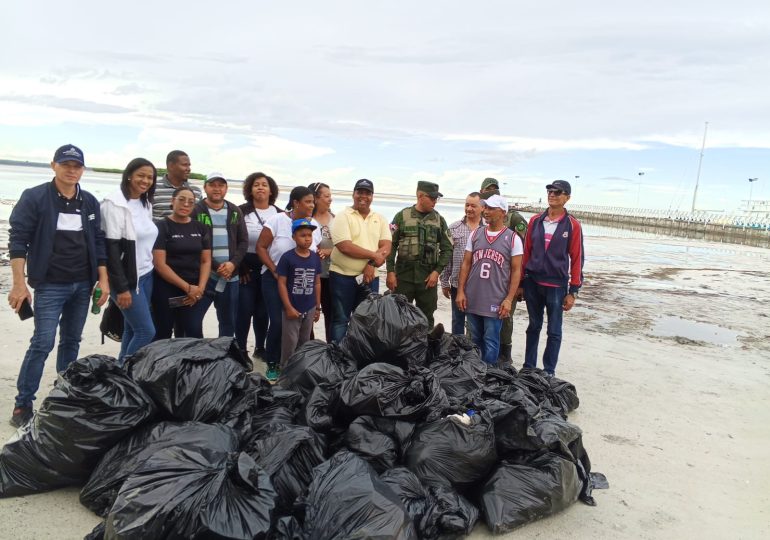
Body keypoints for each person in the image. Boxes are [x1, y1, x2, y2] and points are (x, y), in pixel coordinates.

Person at [7, 144, 109, 427]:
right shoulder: (35, 197)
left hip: (83, 285)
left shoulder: (89, 201)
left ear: (83, 170)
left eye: (77, 166)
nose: (72, 170)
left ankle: (63, 397)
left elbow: (98, 242)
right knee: (42, 342)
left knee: (72, 341)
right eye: (66, 165)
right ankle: (23, 404)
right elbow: (18, 241)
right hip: (50, 285)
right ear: (54, 165)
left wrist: (103, 280)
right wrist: (19, 284)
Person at [518, 180, 584, 377]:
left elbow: (577, 258)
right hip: (532, 282)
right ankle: (529, 367)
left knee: (554, 330)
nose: (552, 194)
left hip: (556, 285)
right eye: (549, 191)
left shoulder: (573, 225)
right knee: (534, 326)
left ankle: (548, 371)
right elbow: (526, 253)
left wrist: (573, 291)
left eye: (557, 192)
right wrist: (521, 283)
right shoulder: (536, 221)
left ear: (567, 197)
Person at [256, 186, 321, 381]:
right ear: (296, 203)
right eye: (308, 201)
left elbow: (316, 252)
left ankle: (297, 365)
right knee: (277, 322)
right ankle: (273, 362)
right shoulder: (277, 220)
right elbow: (261, 247)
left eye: (313, 201)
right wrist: (274, 269)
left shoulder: (313, 225)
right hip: (275, 278)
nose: (312, 205)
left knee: (299, 327)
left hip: (302, 283)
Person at [100, 157, 159, 363]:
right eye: (141, 175)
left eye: (150, 177)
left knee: (131, 329)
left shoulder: (145, 202)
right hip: (126, 280)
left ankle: (121, 372)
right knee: (146, 331)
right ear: (129, 175)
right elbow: (111, 250)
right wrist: (122, 287)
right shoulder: (114, 203)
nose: (145, 181)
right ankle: (125, 373)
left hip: (146, 274)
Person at [455, 195, 523, 366]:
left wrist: (509, 299)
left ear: (503, 212)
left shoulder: (513, 238)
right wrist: (461, 291)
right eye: (485, 208)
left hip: (496, 299)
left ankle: (488, 375)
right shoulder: (476, 234)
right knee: (474, 339)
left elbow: (516, 271)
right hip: (473, 296)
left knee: (492, 340)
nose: (486, 211)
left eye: (491, 208)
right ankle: (475, 372)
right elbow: (466, 263)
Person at [329, 179, 392, 342]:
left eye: (367, 193)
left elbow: (386, 246)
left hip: (370, 278)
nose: (363, 196)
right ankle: (337, 357)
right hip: (342, 276)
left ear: (372, 196)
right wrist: (374, 256)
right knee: (341, 320)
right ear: (353, 194)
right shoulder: (342, 217)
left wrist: (371, 265)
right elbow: (345, 246)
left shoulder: (380, 218)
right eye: (360, 192)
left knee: (366, 320)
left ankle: (358, 357)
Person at [386, 181, 452, 328]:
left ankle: (425, 349)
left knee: (426, 320)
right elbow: (390, 245)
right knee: (398, 317)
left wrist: (437, 272)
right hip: (403, 278)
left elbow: (447, 249)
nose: (435, 201)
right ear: (420, 196)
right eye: (432, 198)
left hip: (428, 280)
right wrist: (390, 272)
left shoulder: (439, 220)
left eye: (437, 199)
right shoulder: (401, 216)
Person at [191, 173, 248, 338]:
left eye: (220, 185)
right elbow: (194, 243)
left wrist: (232, 264)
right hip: (204, 276)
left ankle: (224, 357)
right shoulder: (196, 210)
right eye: (212, 185)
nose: (217, 189)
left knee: (228, 322)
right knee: (193, 320)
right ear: (205, 187)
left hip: (230, 277)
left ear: (226, 188)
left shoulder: (235, 210)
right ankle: (196, 355)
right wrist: (217, 266)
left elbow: (243, 241)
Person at [151, 187, 212, 339]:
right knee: (163, 332)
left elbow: (206, 260)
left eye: (191, 202)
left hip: (194, 289)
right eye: (182, 200)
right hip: (166, 288)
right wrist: (187, 287)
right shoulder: (161, 227)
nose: (186, 204)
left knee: (193, 330)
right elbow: (160, 264)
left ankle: (193, 363)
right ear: (173, 201)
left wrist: (200, 289)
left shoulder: (200, 227)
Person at [480, 177, 528, 364]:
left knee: (505, 319)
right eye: (488, 190)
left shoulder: (513, 218)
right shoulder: (482, 214)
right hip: (486, 281)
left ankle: (504, 356)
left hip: (508, 281)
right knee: (482, 318)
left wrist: (521, 284)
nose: (492, 192)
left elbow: (523, 252)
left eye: (495, 190)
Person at [236, 172, 280, 357]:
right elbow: (234, 240)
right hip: (245, 267)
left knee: (263, 313)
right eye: (256, 185)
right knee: (244, 311)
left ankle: (259, 347)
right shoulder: (240, 211)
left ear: (271, 190)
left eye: (264, 184)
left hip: (268, 268)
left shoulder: (279, 213)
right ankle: (241, 350)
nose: (260, 187)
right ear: (250, 190)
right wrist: (240, 265)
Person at [277, 218, 322, 369]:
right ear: (294, 237)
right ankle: (285, 371)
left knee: (304, 342)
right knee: (289, 342)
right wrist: (288, 307)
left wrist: (317, 307)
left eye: (309, 235)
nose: (307, 238)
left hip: (309, 307)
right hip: (292, 307)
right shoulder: (287, 257)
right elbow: (281, 283)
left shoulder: (315, 258)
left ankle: (300, 371)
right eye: (303, 235)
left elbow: (317, 283)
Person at [440, 192, 484, 335]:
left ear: (482, 208)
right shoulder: (454, 228)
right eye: (467, 205)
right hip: (457, 284)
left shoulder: (487, 230)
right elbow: (447, 256)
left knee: (475, 324)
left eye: (473, 205)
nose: (469, 209)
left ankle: (471, 353)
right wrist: (444, 281)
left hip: (479, 286)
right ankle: (456, 352)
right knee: (457, 320)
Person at [308, 182, 334, 342]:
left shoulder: (336, 219)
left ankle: (331, 349)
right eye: (326, 196)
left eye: (330, 196)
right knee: (309, 314)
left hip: (332, 274)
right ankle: (309, 348)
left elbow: (343, 244)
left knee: (332, 314)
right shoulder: (308, 220)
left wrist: (328, 251)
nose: (330, 199)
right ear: (316, 199)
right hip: (311, 275)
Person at [152, 150, 202, 221]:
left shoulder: (196, 191)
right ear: (171, 166)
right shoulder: (153, 188)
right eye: (184, 165)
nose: (188, 169)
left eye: (189, 165)